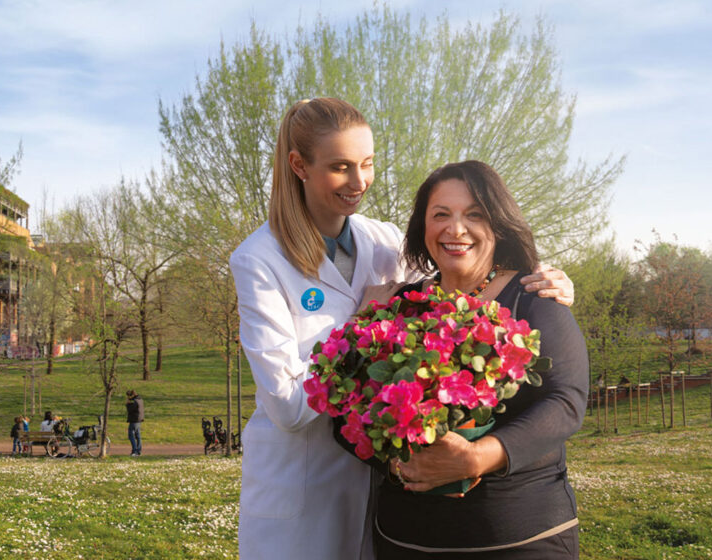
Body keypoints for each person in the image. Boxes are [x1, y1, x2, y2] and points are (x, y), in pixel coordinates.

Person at [230, 98, 575, 560]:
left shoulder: (384, 240)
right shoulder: (258, 260)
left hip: (385, 492)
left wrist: (547, 275)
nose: (359, 183)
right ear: (299, 165)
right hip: (302, 482)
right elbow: (288, 407)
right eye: (340, 167)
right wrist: (359, 330)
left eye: (367, 164)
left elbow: (462, 265)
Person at [362, 161, 589, 559]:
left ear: (498, 225)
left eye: (474, 214)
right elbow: (347, 411)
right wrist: (400, 467)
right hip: (406, 540)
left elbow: (566, 401)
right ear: (422, 227)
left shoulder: (534, 298)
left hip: (520, 540)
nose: (456, 229)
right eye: (440, 215)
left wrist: (476, 458)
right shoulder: (396, 308)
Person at [126, 390, 144, 456]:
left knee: (131, 436)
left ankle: (134, 451)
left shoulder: (135, 401)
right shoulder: (140, 400)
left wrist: (127, 404)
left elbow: (130, 410)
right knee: (138, 436)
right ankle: (138, 450)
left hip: (134, 420)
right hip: (139, 420)